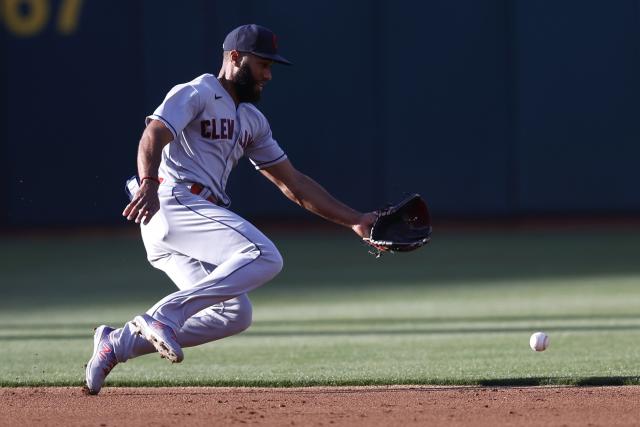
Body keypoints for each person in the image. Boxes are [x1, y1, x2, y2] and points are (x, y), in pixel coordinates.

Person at [84, 24, 377, 395]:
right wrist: (148, 183)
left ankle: (116, 343)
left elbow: (295, 184)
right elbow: (153, 134)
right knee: (263, 255)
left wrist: (355, 220)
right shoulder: (198, 91)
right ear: (235, 58)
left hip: (185, 223)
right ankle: (164, 316)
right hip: (172, 200)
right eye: (262, 65)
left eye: (271, 67)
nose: (268, 75)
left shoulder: (253, 121)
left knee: (235, 313)